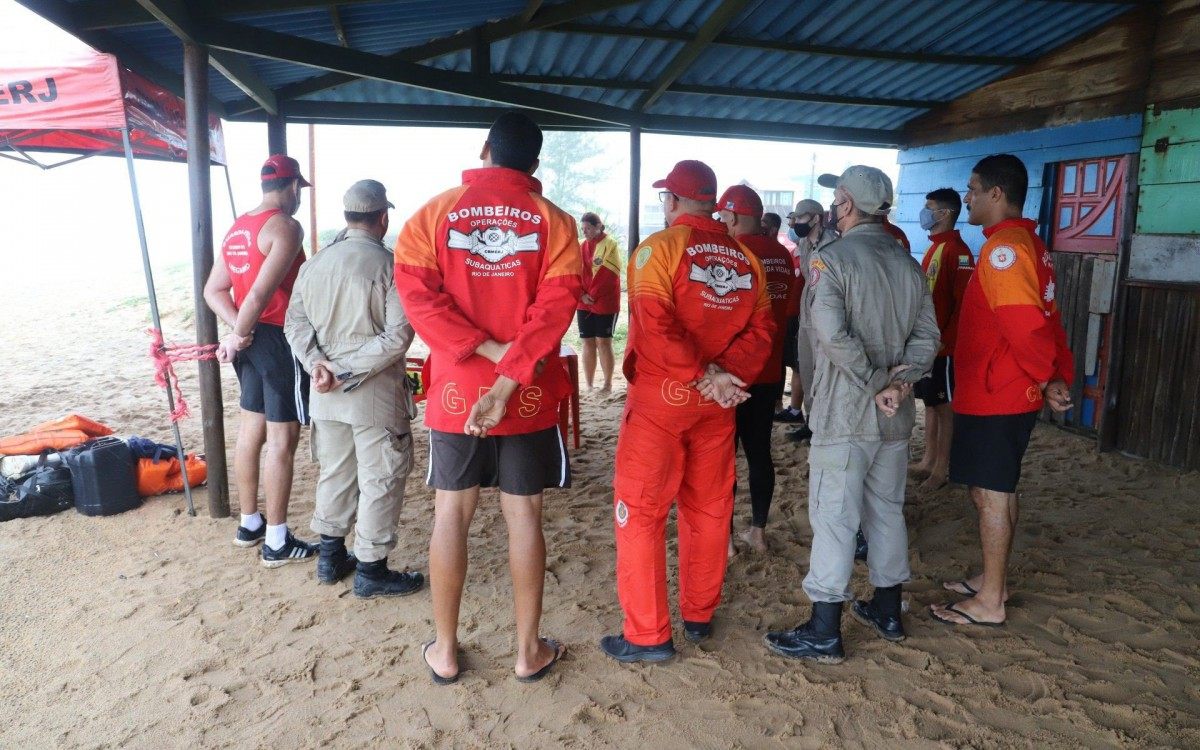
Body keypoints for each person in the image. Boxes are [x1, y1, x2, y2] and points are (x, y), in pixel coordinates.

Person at [393, 112, 580, 684]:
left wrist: (484, 349)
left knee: (451, 513)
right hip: (527, 393)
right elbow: (554, 311)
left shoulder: (433, 213)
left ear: (485, 150)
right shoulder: (556, 222)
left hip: (455, 389)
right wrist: (510, 367)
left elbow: (418, 300)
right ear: (536, 163)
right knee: (524, 515)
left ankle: (446, 652)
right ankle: (528, 652)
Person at [602, 160, 775, 663]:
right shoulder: (747, 259)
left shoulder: (658, 249)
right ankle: (699, 614)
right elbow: (763, 331)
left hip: (662, 400)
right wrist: (724, 377)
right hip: (717, 405)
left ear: (673, 201)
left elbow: (654, 326)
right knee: (709, 509)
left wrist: (703, 374)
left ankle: (647, 635)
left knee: (640, 512)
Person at [765, 166, 939, 664]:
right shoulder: (908, 264)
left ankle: (824, 630)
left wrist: (877, 382)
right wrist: (900, 383)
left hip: (846, 411)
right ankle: (887, 609)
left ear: (844, 203)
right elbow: (928, 336)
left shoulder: (831, 260)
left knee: (834, 517)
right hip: (895, 416)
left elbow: (832, 336)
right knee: (886, 509)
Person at [931, 154, 1073, 629]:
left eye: (972, 189)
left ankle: (991, 600)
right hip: (1009, 387)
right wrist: (1053, 374)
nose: (966, 197)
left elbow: (1026, 325)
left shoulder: (1003, 251)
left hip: (1000, 390)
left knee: (990, 493)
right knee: (999, 489)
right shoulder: (1027, 243)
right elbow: (1050, 321)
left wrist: (1047, 376)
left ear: (996, 194)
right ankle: (994, 581)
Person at [283, 179, 424, 597]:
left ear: (347, 217)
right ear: (383, 218)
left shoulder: (314, 264)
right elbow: (399, 336)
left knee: (335, 472)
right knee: (380, 476)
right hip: (374, 396)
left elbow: (295, 325)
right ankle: (371, 570)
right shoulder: (390, 265)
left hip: (324, 393)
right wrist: (343, 369)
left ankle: (330, 558)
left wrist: (318, 365)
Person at [204, 154, 316, 567]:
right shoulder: (285, 226)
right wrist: (240, 332)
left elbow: (214, 290)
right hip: (278, 338)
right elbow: (259, 295)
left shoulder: (238, 228)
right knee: (283, 439)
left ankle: (249, 523)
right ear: (293, 187)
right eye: (299, 190)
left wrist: (239, 332)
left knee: (251, 430)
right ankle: (277, 541)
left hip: (251, 339)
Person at [715, 185, 794, 554]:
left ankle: (727, 538)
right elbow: (787, 309)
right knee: (760, 451)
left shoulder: (733, 252)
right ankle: (758, 532)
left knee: (724, 457)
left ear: (732, 216)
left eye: (722, 216)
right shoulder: (782, 253)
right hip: (770, 370)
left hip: (735, 371)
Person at [910, 188, 975, 491]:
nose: (925, 212)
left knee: (945, 407)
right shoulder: (934, 247)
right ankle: (928, 459)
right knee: (931, 404)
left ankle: (941, 469)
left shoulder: (958, 251)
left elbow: (963, 305)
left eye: (930, 207)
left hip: (943, 348)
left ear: (945, 213)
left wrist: (946, 343)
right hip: (928, 345)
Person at [777, 198, 837, 443]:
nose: (794, 223)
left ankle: (823, 424)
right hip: (806, 315)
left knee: (824, 374)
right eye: (793, 218)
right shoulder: (803, 243)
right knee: (806, 370)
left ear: (816, 218)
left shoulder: (834, 244)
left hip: (826, 317)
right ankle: (811, 421)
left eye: (800, 218)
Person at [576, 212, 623, 392]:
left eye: (588, 228)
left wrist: (592, 295)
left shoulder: (610, 244)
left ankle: (607, 384)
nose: (585, 232)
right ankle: (589, 384)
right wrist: (581, 295)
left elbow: (608, 275)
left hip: (605, 301)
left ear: (598, 226)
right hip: (583, 301)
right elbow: (573, 272)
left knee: (603, 342)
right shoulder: (580, 246)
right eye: (583, 229)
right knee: (587, 342)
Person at [822, 172, 913, 254]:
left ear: (848, 206)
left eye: (838, 199)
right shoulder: (896, 234)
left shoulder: (834, 253)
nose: (834, 204)